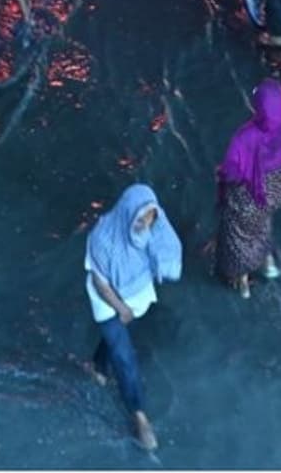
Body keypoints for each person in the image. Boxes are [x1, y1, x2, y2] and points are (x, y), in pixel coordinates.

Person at [84, 184, 183, 451]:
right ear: (127, 212)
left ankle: (96, 367)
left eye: (151, 216)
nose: (146, 223)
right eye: (140, 218)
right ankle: (139, 415)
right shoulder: (103, 238)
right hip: (109, 301)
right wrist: (121, 308)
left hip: (136, 295)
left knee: (115, 343)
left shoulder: (153, 228)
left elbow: (166, 248)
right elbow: (100, 282)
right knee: (125, 356)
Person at [215, 78, 281, 298]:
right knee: (262, 223)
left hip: (249, 198)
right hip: (278, 191)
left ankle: (242, 281)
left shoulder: (247, 136)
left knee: (237, 236)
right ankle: (268, 264)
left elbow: (231, 173)